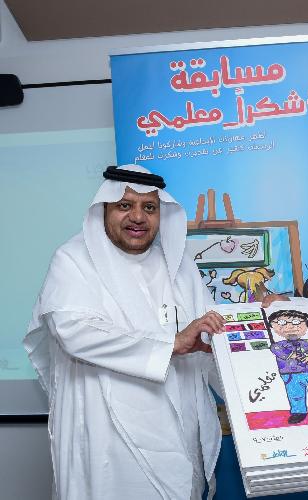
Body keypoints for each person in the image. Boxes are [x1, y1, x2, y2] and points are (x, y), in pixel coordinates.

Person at [24, 165, 225, 500]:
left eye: (149, 207)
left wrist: (263, 317)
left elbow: (211, 328)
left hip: (177, 430)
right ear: (104, 209)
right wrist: (171, 344)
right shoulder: (73, 260)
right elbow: (74, 331)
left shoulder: (179, 265)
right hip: (106, 435)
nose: (138, 217)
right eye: (125, 205)